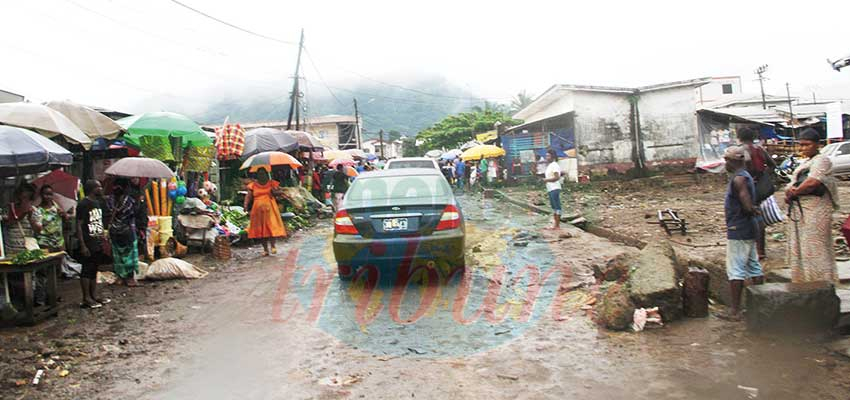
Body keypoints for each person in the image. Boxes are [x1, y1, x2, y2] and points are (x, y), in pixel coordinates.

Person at [785, 128, 839, 282]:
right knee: (802, 246)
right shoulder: (806, 162)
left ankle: (821, 283)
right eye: (800, 145)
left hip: (816, 209)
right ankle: (805, 282)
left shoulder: (822, 160)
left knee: (816, 247)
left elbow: (812, 182)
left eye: (806, 145)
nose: (802, 148)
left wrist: (794, 192)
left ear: (817, 144)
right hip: (801, 210)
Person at [719, 146, 763, 320]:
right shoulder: (746, 176)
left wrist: (752, 209)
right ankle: (760, 304)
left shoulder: (738, 179)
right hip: (749, 228)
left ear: (733, 161)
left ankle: (735, 311)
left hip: (739, 228)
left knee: (736, 269)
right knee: (753, 266)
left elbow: (746, 205)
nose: (725, 164)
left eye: (726, 160)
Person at [738, 127, 776, 260]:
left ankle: (750, 251)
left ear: (739, 137)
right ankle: (761, 250)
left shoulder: (742, 150)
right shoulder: (760, 149)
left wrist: (748, 177)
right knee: (758, 216)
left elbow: (747, 162)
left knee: (746, 216)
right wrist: (763, 176)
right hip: (759, 187)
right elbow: (772, 165)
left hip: (746, 187)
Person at [76, 180, 110, 309]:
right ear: (92, 189)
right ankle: (86, 297)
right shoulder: (84, 204)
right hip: (88, 240)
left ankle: (93, 295)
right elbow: (79, 225)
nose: (101, 189)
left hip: (97, 240)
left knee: (94, 268)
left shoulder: (97, 203)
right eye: (99, 187)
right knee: (87, 269)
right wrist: (83, 245)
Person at [245, 168, 287, 256]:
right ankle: (265, 249)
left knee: (271, 227)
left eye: (263, 173)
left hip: (270, 209)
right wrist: (245, 205)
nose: (261, 175)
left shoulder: (272, 183)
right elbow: (248, 196)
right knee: (261, 230)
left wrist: (275, 192)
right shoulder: (253, 185)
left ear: (267, 174)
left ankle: (273, 246)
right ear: (257, 175)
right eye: (260, 174)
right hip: (257, 211)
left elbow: (281, 192)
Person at [107, 178, 139, 286]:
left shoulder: (110, 200)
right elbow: (133, 214)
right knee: (130, 255)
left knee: (117, 255)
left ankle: (120, 277)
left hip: (114, 231)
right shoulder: (130, 201)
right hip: (127, 231)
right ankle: (129, 278)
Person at [3, 182, 42, 255]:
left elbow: (38, 230)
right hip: (11, 250)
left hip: (28, 251)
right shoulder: (10, 208)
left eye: (27, 197)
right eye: (23, 197)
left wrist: (30, 218)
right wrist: (23, 214)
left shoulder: (35, 211)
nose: (24, 200)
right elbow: (7, 223)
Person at [35, 184, 69, 252]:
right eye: (46, 194)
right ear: (41, 195)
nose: (48, 197)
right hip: (45, 242)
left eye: (50, 194)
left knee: (61, 260)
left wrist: (64, 215)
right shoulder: (38, 210)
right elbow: (37, 228)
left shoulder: (57, 207)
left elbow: (66, 221)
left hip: (59, 241)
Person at [542, 149, 564, 230]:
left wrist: (546, 180)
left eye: (548, 156)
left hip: (554, 188)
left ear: (553, 157)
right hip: (550, 188)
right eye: (546, 156)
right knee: (554, 206)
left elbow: (557, 177)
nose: (546, 157)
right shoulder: (550, 165)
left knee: (557, 206)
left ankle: (557, 225)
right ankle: (555, 224)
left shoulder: (554, 165)